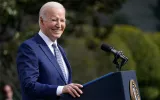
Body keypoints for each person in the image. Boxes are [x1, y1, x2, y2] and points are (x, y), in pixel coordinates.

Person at [16, 1, 83, 100]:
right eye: (54, 20)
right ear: (42, 21)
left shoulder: (60, 50)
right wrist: (60, 89)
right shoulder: (29, 48)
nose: (59, 25)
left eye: (62, 20)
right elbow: (29, 86)